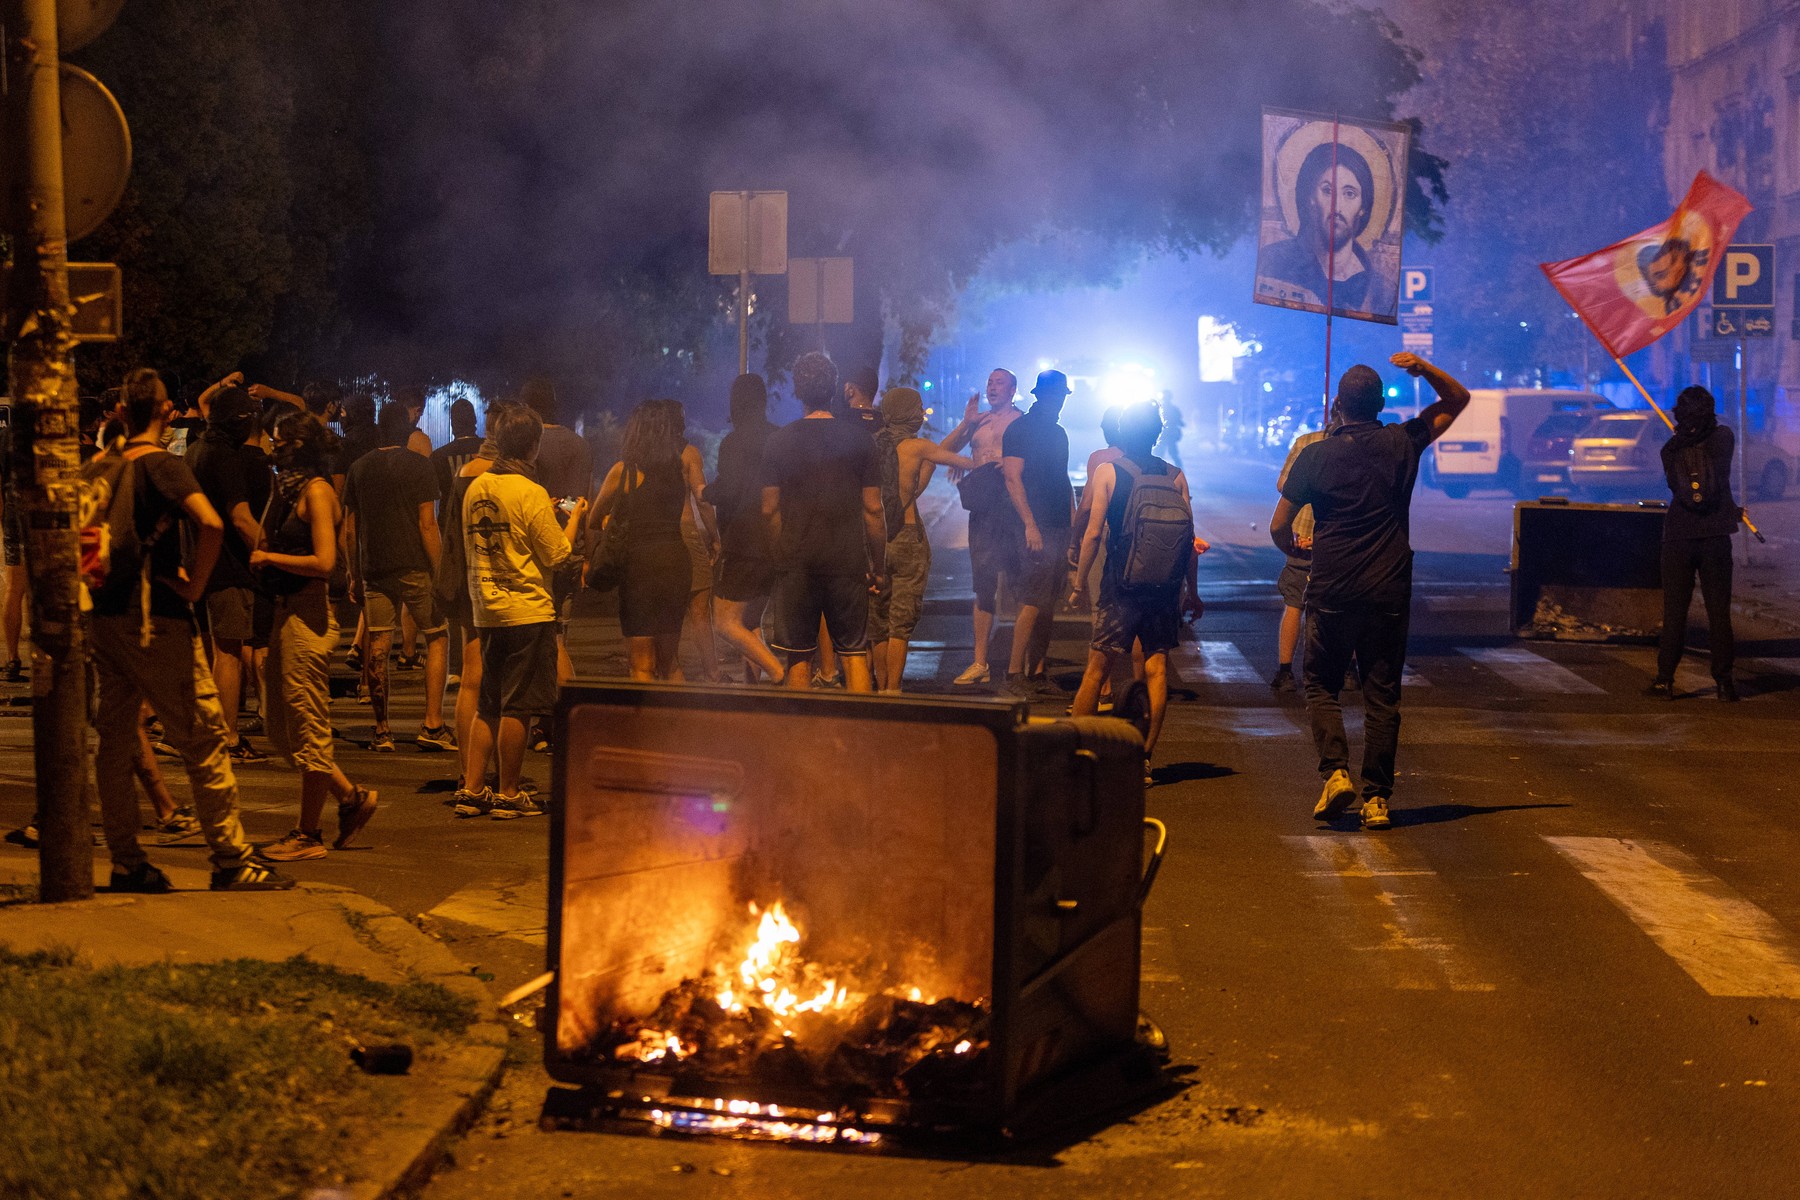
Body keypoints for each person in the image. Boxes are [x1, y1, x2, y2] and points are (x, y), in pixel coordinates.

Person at [80, 368, 293, 892]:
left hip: (104, 618)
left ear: (123, 414)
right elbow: (213, 523)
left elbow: (86, 547)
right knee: (203, 736)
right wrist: (195, 588)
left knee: (115, 740)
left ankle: (127, 860)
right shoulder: (164, 466)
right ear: (166, 413)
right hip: (156, 621)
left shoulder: (97, 469)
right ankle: (231, 857)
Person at [1268, 353, 1470, 831]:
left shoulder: (1315, 455)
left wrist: (1298, 553)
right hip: (1388, 590)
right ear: (1380, 404)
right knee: (1382, 697)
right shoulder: (1403, 442)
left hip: (1332, 588)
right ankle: (1377, 798)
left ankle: (1335, 772)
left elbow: (1279, 525)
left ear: (1338, 406)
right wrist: (1423, 368)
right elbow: (1458, 399)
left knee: (1321, 684)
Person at [252, 413, 379, 861]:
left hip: (309, 617)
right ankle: (351, 798)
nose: (273, 445)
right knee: (282, 730)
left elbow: (325, 562)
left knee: (309, 728)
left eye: (281, 440)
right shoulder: (284, 490)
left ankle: (309, 835)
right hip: (283, 614)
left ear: (299, 445)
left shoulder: (318, 493)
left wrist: (270, 558)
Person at [456, 405, 584, 818]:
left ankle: (473, 789)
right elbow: (558, 553)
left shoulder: (475, 487)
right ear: (533, 445)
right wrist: (575, 517)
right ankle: (509, 793)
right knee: (518, 706)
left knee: (488, 702)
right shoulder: (528, 492)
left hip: (486, 607)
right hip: (526, 610)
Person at [1070, 401, 1204, 778]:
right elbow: (1188, 539)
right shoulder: (1176, 475)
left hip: (1121, 583)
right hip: (1164, 587)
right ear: (1158, 432)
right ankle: (1144, 758)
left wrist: (1080, 582)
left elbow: (1094, 533)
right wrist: (1191, 591)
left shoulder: (1108, 471)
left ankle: (1076, 753)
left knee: (1098, 667)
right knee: (1157, 667)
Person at [762, 352, 886, 691]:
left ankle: (799, 739)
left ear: (797, 390)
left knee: (798, 656)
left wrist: (779, 554)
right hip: (847, 563)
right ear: (834, 389)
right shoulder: (861, 441)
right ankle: (859, 737)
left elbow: (769, 509)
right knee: (854, 653)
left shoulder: (778, 442)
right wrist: (878, 565)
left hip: (797, 564)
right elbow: (873, 510)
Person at [343, 401, 453, 753]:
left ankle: (382, 729)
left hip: (375, 567)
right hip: (414, 567)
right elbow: (428, 523)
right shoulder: (420, 466)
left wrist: (353, 571)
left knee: (377, 645)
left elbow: (349, 528)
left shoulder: (358, 469)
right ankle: (432, 724)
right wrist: (440, 572)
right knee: (437, 636)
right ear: (405, 431)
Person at [183, 385, 270, 763]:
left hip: (197, 563)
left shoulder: (195, 451)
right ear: (239, 421)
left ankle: (211, 732)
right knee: (230, 654)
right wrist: (268, 552)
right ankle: (228, 738)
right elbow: (240, 517)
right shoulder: (224, 456)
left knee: (210, 653)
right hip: (227, 567)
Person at [870, 386, 974, 693]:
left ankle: (878, 688)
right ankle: (893, 689)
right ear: (908, 413)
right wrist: (989, 458)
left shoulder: (871, 446)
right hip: (906, 537)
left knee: (878, 623)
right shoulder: (916, 447)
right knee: (900, 623)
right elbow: (955, 459)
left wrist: (963, 426)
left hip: (874, 541)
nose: (921, 413)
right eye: (917, 408)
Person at [588, 400, 697, 682]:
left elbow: (594, 517)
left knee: (642, 664)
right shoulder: (678, 470)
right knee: (670, 662)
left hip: (640, 569)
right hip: (675, 562)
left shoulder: (623, 471)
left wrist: (608, 522)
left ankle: (647, 725)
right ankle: (679, 725)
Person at [1647, 385, 1742, 701]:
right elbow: (1719, 480)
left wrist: (1680, 434)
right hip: (1715, 535)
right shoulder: (1724, 438)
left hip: (1678, 537)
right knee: (1719, 612)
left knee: (1675, 611)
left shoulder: (1670, 450)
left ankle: (1664, 680)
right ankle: (1724, 683)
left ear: (1679, 414)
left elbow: (1679, 488)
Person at [941, 367, 1025, 685]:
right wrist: (967, 423)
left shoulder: (1020, 421)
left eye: (999, 382)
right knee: (983, 584)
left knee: (1019, 584)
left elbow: (1032, 460)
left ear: (1013, 389)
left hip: (1011, 508)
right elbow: (944, 452)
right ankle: (980, 662)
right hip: (982, 511)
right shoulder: (979, 422)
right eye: (989, 382)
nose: (992, 387)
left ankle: (1021, 662)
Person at [1256, 141, 1395, 318]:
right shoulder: (1272, 262)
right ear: (1310, 198)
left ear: (1363, 207)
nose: (1337, 207)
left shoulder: (1382, 292)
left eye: (1349, 194)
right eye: (1327, 190)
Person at [1000, 370, 1075, 696]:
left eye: (1062, 397)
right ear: (1041, 396)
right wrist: (1030, 524)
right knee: (1033, 598)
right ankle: (1015, 672)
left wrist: (1075, 524)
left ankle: (1037, 670)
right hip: (1035, 526)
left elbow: (1063, 479)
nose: (1059, 402)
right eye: (1056, 396)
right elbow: (1013, 479)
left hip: (1059, 525)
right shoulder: (1020, 430)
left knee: (1047, 600)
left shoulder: (1058, 433)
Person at [705, 374, 784, 683]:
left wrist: (703, 492)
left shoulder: (733, 442)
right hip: (774, 541)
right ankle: (754, 688)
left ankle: (777, 673)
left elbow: (728, 490)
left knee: (725, 621)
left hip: (743, 542)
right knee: (750, 621)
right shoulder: (779, 437)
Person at [666, 400, 723, 684]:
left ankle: (670, 670)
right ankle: (712, 672)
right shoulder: (689, 453)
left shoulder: (647, 456)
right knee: (700, 612)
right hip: (688, 534)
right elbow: (702, 500)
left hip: (660, 537)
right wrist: (715, 538)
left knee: (668, 612)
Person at [1271, 424, 1328, 692]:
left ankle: (1285, 671)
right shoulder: (1362, 445)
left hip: (1303, 538)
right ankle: (1347, 671)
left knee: (1295, 603)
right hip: (1342, 542)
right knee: (1344, 607)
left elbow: (1283, 484)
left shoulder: (1307, 442)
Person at [431, 397, 486, 513]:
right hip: (484, 519)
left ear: (453, 423)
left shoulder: (438, 456)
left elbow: (433, 493)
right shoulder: (490, 450)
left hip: (450, 523)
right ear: (474, 420)